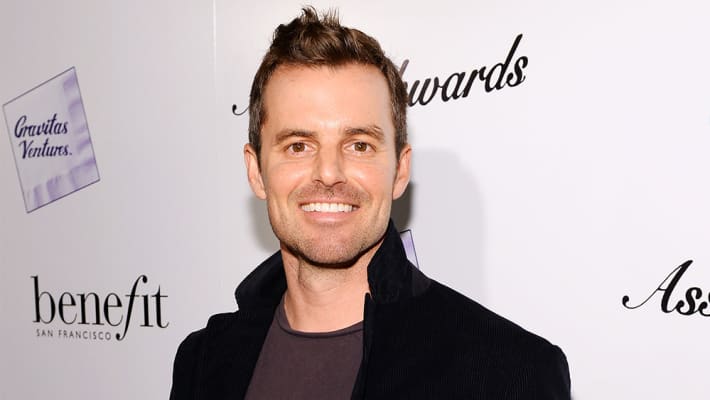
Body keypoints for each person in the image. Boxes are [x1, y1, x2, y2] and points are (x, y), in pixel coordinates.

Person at [170, 7, 571, 400]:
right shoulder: (203, 361)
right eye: (298, 146)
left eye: (359, 145)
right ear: (256, 171)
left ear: (400, 170)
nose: (329, 173)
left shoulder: (509, 373)